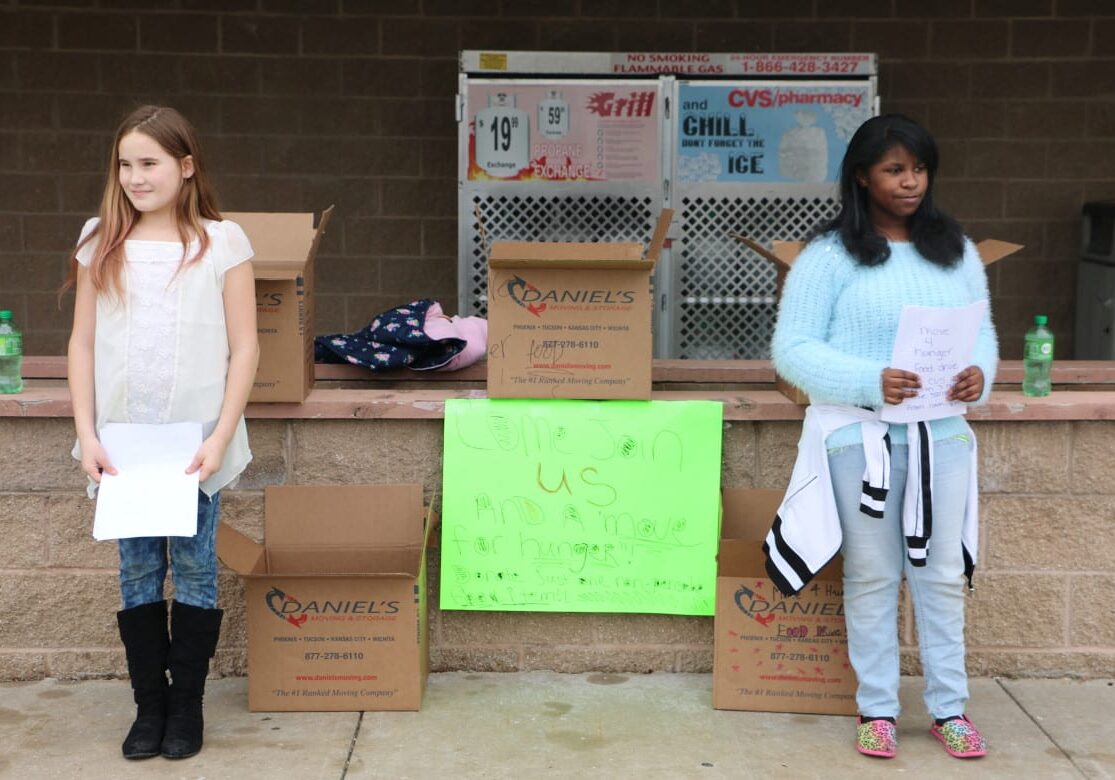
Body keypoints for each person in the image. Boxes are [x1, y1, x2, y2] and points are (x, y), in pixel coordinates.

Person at [765, 114, 995, 760]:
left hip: (939, 436)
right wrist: (870, 379)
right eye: (894, 169)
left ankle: (949, 707)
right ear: (861, 176)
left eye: (919, 169)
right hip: (857, 436)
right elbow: (791, 351)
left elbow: (980, 337)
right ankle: (878, 709)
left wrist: (979, 374)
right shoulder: (827, 257)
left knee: (942, 573)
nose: (910, 182)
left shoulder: (954, 250)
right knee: (870, 573)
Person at [65, 105, 258, 761]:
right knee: (139, 572)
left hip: (194, 447)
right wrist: (87, 433)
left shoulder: (220, 241)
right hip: (124, 448)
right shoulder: (101, 239)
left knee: (198, 571)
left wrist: (221, 436)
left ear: (185, 165)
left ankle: (187, 709)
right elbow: (82, 343)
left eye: (148, 163)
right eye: (124, 164)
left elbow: (246, 348)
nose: (134, 177)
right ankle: (148, 708)